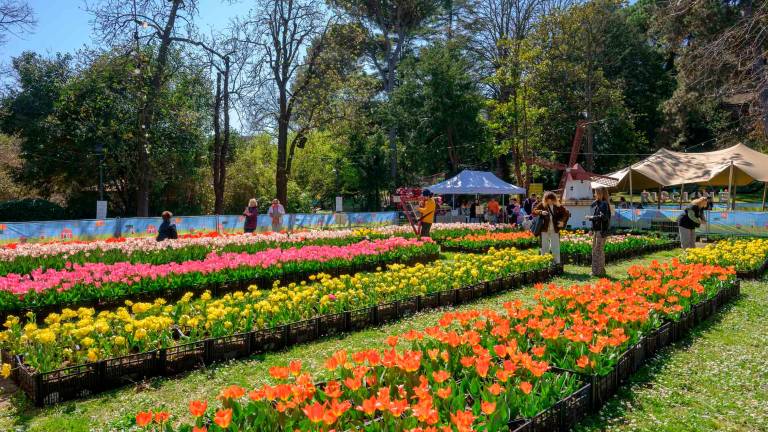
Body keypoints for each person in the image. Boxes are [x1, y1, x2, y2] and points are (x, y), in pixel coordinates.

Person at [532, 192, 570, 265]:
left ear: (554, 199)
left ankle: (556, 263)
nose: (549, 201)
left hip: (555, 229)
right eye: (548, 200)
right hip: (544, 228)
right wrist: (541, 212)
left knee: (555, 246)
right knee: (544, 246)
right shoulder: (542, 204)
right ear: (545, 199)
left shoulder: (558, 205)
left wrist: (562, 221)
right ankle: (544, 262)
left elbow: (566, 213)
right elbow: (534, 211)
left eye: (551, 200)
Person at [586, 188, 611, 276]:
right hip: (598, 231)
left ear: (601, 194)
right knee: (597, 251)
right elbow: (597, 219)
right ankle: (600, 271)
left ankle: (597, 272)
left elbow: (603, 217)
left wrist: (591, 217)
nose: (594, 195)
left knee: (598, 251)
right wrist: (591, 229)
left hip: (601, 231)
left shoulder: (604, 204)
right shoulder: (599, 204)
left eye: (596, 193)